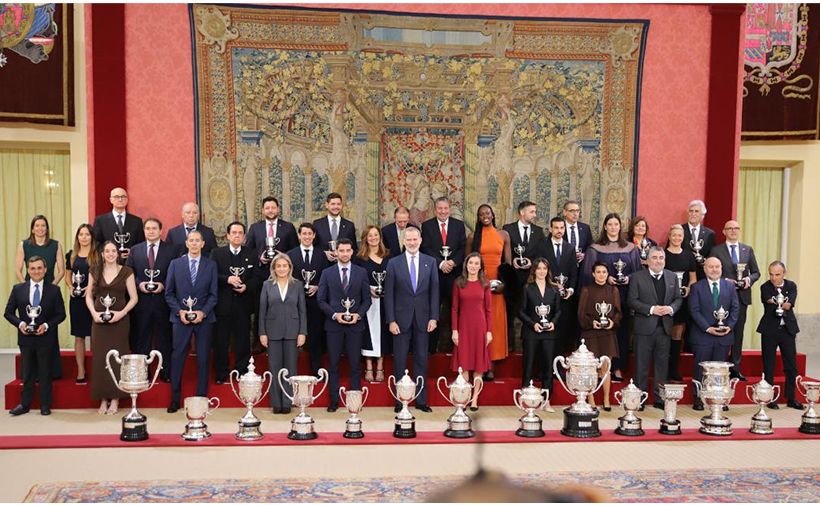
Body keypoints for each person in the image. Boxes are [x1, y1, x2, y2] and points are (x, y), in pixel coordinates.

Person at [385, 226, 439, 413]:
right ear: (404, 241)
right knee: (399, 361)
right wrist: (391, 320)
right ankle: (400, 400)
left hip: (424, 320)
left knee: (422, 360)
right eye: (408, 240)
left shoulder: (430, 262)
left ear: (420, 240)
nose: (412, 242)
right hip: (400, 320)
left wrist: (434, 317)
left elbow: (434, 292)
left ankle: (421, 400)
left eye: (415, 239)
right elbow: (389, 295)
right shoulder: (393, 263)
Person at [582, 213, 641, 382]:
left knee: (621, 330)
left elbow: (637, 272)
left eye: (616, 224)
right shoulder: (595, 248)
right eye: (610, 224)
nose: (613, 227)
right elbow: (588, 273)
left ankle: (618, 367)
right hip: (601, 296)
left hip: (624, 295)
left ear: (620, 227)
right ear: (605, 227)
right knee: (603, 332)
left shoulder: (630, 248)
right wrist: (605, 278)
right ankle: (600, 367)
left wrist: (628, 278)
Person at [164, 230, 218, 413]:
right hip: (181, 319)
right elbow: (169, 293)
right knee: (178, 357)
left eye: (198, 241)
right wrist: (179, 312)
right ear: (186, 243)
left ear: (203, 244)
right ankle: (175, 398)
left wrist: (203, 312)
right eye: (191, 240)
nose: (194, 244)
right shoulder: (175, 264)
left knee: (203, 358)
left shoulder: (211, 265)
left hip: (204, 318)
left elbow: (213, 295)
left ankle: (201, 397)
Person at [4, 256, 66, 416]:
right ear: (28, 270)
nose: (36, 271)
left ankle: (45, 405)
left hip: (45, 338)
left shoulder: (54, 290)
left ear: (45, 270)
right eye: (32, 268)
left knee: (45, 372)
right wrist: (21, 324)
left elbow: (61, 315)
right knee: (27, 372)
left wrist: (46, 326)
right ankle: (24, 405)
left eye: (39, 268)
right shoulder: (18, 289)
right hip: (26, 338)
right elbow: (8, 313)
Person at [317, 239, 371, 412]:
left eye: (348, 250)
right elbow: (321, 300)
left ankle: (354, 400)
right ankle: (334, 400)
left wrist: (358, 315)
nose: (345, 253)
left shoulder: (361, 272)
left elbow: (367, 299)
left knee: (355, 364)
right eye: (342, 250)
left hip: (355, 325)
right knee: (333, 364)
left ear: (352, 252)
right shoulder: (327, 273)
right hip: (334, 326)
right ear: (337, 252)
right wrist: (334, 315)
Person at [85, 241, 138, 415]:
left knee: (118, 358)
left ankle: (115, 398)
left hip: (120, 322)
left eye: (113, 251)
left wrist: (121, 313)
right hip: (99, 322)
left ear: (118, 253)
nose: (110, 254)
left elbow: (133, 298)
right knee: (100, 359)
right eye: (107, 251)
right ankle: (103, 399)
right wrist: (93, 314)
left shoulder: (127, 271)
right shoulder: (94, 270)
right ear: (102, 254)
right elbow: (88, 297)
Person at [627, 247, 682, 408]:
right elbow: (632, 300)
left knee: (662, 366)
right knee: (641, 366)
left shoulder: (672, 277)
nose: (658, 261)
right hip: (644, 328)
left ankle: (659, 399)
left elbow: (678, 298)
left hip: (665, 329)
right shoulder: (637, 277)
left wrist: (671, 309)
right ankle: (640, 399)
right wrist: (651, 309)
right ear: (648, 260)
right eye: (655, 257)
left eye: (661, 258)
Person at [125, 218, 175, 382]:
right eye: (147, 228)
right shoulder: (135, 250)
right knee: (142, 338)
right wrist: (139, 285)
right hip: (142, 302)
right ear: (144, 231)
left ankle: (165, 372)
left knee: (164, 339)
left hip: (163, 302)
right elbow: (129, 273)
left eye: (154, 228)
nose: (151, 231)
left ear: (161, 231)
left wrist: (164, 285)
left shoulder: (171, 250)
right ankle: (142, 373)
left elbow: (175, 274)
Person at [710, 220, 760, 380]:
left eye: (736, 228)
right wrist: (725, 280)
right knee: (722, 330)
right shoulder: (716, 250)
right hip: (723, 296)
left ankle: (736, 368)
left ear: (739, 231)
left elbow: (756, 272)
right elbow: (711, 271)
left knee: (738, 333)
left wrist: (747, 280)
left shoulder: (747, 249)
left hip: (742, 296)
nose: (733, 231)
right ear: (724, 231)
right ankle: (721, 365)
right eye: (729, 228)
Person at [688, 257, 740, 410]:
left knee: (720, 370)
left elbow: (736, 309)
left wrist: (729, 326)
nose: (714, 270)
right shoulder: (697, 287)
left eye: (717, 266)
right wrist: (707, 328)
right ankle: (698, 398)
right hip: (703, 335)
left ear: (721, 268)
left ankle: (720, 398)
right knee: (701, 369)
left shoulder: (729, 287)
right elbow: (694, 310)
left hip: (724, 336)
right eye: (711, 267)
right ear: (705, 269)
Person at [16, 215, 64, 379]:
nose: (40, 228)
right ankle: (31, 374)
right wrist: (26, 288)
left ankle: (51, 372)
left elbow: (62, 271)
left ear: (47, 228)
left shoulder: (56, 245)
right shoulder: (24, 244)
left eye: (43, 225)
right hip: (30, 295)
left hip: (48, 295)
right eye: (37, 225)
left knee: (49, 332)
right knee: (29, 335)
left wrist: (51, 288)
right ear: (32, 228)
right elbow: (18, 270)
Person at [210, 221, 260, 384]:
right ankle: (222, 374)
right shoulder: (217, 253)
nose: (237, 235)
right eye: (234, 232)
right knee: (221, 342)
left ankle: (241, 371)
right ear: (228, 235)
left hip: (243, 305)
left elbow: (257, 277)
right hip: (222, 305)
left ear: (244, 237)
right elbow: (212, 275)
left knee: (243, 341)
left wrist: (246, 286)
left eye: (240, 233)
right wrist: (227, 279)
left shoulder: (251, 253)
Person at [466, 204, 510, 380]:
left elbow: (508, 265)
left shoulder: (503, 235)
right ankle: (479, 365)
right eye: (481, 213)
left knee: (494, 327)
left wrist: (504, 285)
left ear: (493, 214)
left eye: (487, 212)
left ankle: (491, 366)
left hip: (497, 288)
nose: (485, 215)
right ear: (478, 217)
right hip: (478, 286)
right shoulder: (472, 237)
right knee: (480, 326)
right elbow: (467, 263)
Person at [259, 254, 306, 414]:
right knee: (274, 368)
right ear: (274, 268)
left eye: (284, 266)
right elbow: (262, 311)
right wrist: (262, 333)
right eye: (278, 266)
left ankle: (287, 402)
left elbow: (302, 310)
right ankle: (276, 403)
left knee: (291, 369)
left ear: (289, 267)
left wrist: (302, 332)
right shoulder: (267, 285)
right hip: (272, 331)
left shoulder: (297, 285)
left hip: (293, 331)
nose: (281, 269)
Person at [421, 196, 466, 354]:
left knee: (457, 311)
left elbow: (462, 248)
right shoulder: (427, 226)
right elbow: (425, 248)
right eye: (440, 208)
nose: (443, 211)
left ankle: (458, 348)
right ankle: (431, 348)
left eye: (445, 208)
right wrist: (440, 263)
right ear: (435, 210)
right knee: (433, 311)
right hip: (435, 276)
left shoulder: (459, 225)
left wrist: (453, 262)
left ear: (450, 209)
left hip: (454, 276)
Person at [756, 261, 803, 410]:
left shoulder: (791, 286)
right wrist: (782, 302)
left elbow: (789, 304)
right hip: (770, 329)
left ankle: (791, 397)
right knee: (768, 364)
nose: (774, 278)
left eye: (777, 274)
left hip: (787, 329)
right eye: (771, 274)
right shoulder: (765, 287)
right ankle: (769, 397)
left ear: (784, 273)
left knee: (791, 365)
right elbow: (769, 300)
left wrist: (781, 303)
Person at [286, 222, 330, 375]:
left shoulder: (321, 255)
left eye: (309, 234)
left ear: (314, 236)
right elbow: (285, 278)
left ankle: (316, 370)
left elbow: (326, 277)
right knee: (292, 338)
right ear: (299, 235)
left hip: (315, 304)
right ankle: (291, 372)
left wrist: (318, 286)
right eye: (303, 234)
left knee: (316, 338)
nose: (306, 236)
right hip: (294, 304)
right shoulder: (290, 255)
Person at [502, 201, 546, 351]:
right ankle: (508, 347)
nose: (534, 214)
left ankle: (528, 347)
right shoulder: (508, 229)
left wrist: (531, 263)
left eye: (535, 211)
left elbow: (542, 254)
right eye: (532, 212)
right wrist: (512, 260)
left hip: (531, 280)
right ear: (522, 212)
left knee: (530, 313)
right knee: (509, 314)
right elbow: (502, 253)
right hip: (512, 281)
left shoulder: (539, 232)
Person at [518, 258, 561, 412]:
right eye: (539, 268)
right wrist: (532, 324)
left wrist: (553, 323)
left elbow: (558, 311)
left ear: (548, 271)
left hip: (549, 333)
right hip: (531, 332)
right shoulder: (528, 288)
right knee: (528, 364)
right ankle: (525, 399)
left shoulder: (554, 289)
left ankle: (546, 401)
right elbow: (521, 311)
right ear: (534, 270)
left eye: (544, 268)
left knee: (548, 367)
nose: (542, 271)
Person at [578, 261, 622, 411]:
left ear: (608, 273)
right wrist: (592, 323)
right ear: (593, 274)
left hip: (607, 334)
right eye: (598, 272)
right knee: (591, 369)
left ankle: (606, 399)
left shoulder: (613, 290)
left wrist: (612, 322)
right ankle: (591, 400)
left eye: (604, 272)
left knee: (605, 368)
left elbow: (618, 312)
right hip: (591, 333)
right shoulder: (586, 290)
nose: (601, 274)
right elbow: (581, 314)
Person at [451, 253, 492, 409]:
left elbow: (489, 310)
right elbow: (454, 309)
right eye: (471, 263)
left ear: (480, 266)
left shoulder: (485, 284)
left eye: (476, 263)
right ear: (466, 265)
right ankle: (465, 397)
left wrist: (489, 331)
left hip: (480, 328)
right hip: (463, 328)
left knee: (479, 365)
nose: (473, 266)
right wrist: (455, 330)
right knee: (465, 364)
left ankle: (475, 400)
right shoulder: (459, 283)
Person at [355, 225, 391, 383]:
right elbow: (356, 280)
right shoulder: (359, 258)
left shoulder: (389, 256)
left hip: (385, 301)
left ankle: (380, 366)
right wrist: (368, 290)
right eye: (370, 235)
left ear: (380, 237)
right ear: (365, 238)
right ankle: (369, 366)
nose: (373, 238)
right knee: (368, 333)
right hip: (367, 302)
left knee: (382, 332)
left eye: (376, 235)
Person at [663, 224, 697, 382]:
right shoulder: (662, 254)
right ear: (669, 236)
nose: (677, 238)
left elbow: (693, 278)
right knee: (664, 334)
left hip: (682, 301)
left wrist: (689, 289)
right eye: (674, 235)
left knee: (677, 335)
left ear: (683, 238)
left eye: (680, 236)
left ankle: (673, 369)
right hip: (664, 300)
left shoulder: (689, 256)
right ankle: (662, 369)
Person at [65, 224, 97, 384]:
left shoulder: (97, 255)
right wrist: (71, 287)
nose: (84, 237)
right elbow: (68, 275)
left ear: (92, 237)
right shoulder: (71, 255)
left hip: (94, 299)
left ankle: (98, 369)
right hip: (77, 300)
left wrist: (90, 289)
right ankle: (81, 370)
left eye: (87, 234)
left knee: (96, 335)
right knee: (79, 336)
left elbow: (101, 275)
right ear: (77, 237)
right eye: (81, 234)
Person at [543, 216, 579, 353]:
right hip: (547, 296)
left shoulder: (570, 248)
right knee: (549, 330)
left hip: (565, 299)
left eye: (562, 228)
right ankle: (547, 365)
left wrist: (570, 289)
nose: (559, 231)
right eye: (556, 228)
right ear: (551, 229)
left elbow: (574, 273)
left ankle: (561, 363)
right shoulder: (542, 245)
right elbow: (539, 271)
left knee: (563, 329)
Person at [91, 187, 144, 261]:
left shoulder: (137, 221)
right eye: (116, 197)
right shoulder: (100, 220)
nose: (120, 199)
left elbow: (141, 244)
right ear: (111, 200)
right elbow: (96, 244)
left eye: (123, 197)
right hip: (108, 263)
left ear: (127, 199)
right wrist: (110, 253)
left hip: (130, 264)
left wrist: (132, 252)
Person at [245, 196, 298, 267]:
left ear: (278, 209)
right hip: (261, 271)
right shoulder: (255, 228)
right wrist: (259, 257)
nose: (270, 210)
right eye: (267, 208)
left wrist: (283, 256)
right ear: (263, 211)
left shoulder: (288, 227)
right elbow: (248, 250)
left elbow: (295, 249)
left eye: (273, 208)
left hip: (282, 269)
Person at [313, 192, 358, 261]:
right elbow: (313, 247)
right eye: (333, 204)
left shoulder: (349, 226)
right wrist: (324, 254)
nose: (336, 207)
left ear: (342, 206)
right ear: (327, 205)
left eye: (338, 204)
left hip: (343, 266)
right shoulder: (317, 224)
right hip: (323, 265)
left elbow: (354, 249)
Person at [681, 199, 716, 278]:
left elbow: (712, 255)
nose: (693, 214)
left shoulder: (710, 234)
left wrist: (704, 260)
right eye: (691, 211)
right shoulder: (679, 230)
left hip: (702, 274)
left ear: (702, 215)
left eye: (696, 211)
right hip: (684, 273)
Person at [561, 200, 593, 264]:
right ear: (564, 212)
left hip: (581, 265)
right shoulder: (559, 227)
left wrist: (584, 255)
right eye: (572, 211)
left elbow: (591, 246)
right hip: (564, 264)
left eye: (577, 211)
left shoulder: (585, 228)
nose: (575, 214)